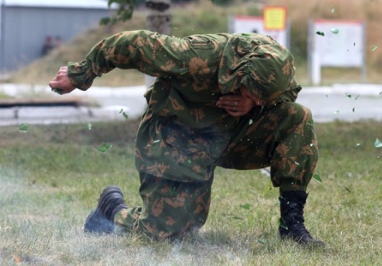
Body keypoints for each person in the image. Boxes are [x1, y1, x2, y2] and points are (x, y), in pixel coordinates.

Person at [48, 30, 324, 245]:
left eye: (261, 96)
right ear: (241, 73)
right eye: (250, 91)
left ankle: (292, 225)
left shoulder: (277, 64)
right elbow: (131, 44)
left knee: (297, 117)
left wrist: (253, 104)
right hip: (176, 136)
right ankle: (112, 210)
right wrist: (80, 74)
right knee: (167, 233)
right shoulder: (194, 56)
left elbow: (287, 96)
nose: (253, 97)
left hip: (232, 135)